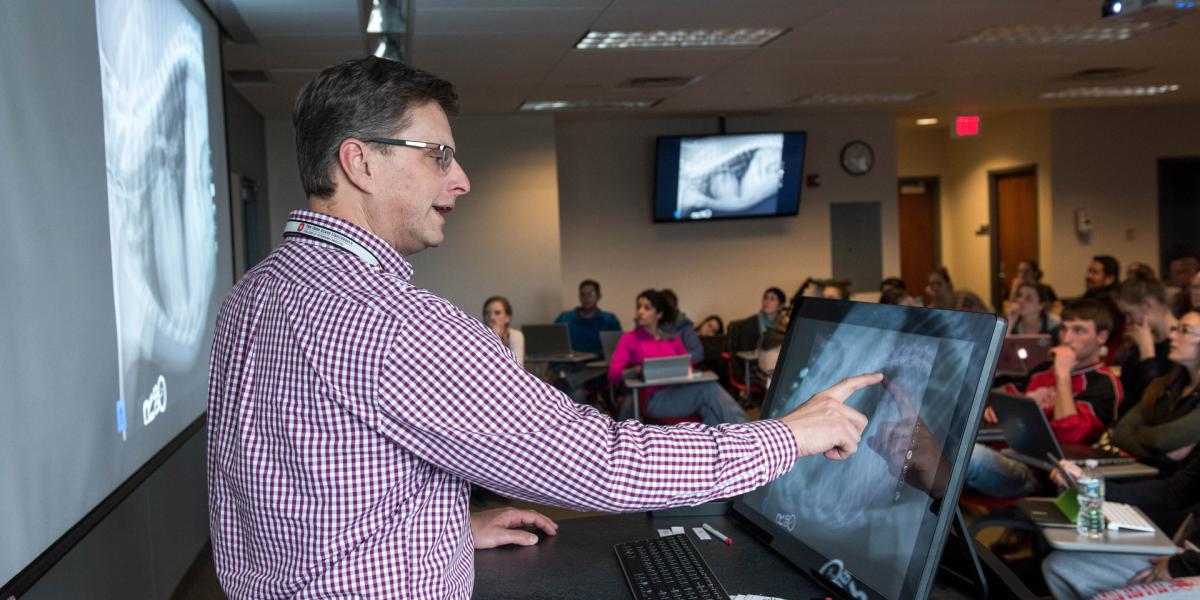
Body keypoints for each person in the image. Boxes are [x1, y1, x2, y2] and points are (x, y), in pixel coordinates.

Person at [207, 57, 880, 598]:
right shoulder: (396, 324)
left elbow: (291, 485)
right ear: (360, 162)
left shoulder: (252, 296)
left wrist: (443, 526)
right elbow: (603, 466)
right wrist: (789, 435)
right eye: (438, 155)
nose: (462, 179)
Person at [966, 299, 1123, 497]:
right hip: (1005, 451)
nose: (1067, 338)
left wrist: (1063, 375)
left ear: (1102, 337)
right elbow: (1006, 392)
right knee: (940, 443)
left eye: (1079, 331)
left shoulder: (1103, 383)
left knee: (965, 456)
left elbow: (1069, 437)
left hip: (1043, 474)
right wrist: (995, 406)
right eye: (1064, 329)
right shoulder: (1042, 371)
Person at [1043, 452, 1200, 599]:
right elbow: (1173, 492)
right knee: (1061, 566)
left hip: (1191, 565)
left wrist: (1181, 566)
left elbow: (1159, 443)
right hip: (1189, 556)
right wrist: (1090, 484)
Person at [610, 290, 750, 425]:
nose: (640, 311)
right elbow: (613, 374)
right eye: (638, 307)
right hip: (655, 399)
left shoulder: (672, 339)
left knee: (711, 410)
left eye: (647, 308)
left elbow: (688, 367)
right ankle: (749, 433)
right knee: (709, 389)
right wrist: (638, 370)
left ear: (659, 314)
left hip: (680, 391)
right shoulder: (629, 339)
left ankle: (721, 447)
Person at [1110, 311, 1200, 470]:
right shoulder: (1165, 384)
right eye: (1175, 329)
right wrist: (1164, 455)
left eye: (1184, 331)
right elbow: (1120, 433)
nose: (1172, 336)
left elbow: (1163, 439)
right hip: (1149, 474)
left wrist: (1141, 435)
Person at [1114, 273, 1177, 413]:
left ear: (1148, 305)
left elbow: (1162, 404)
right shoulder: (1142, 341)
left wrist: (1147, 354)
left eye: (1129, 314)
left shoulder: (1181, 345)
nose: (1127, 321)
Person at [555, 279, 622, 356]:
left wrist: (589, 355)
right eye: (583, 295)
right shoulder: (564, 318)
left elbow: (615, 350)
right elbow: (554, 346)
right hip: (568, 364)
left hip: (596, 364)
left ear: (599, 296)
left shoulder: (609, 320)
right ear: (579, 297)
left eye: (590, 294)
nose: (586, 298)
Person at [1084, 254, 1125, 361]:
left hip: (1107, 356)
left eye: (1094, 272)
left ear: (1109, 279)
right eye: (1089, 271)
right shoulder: (1088, 298)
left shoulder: (1114, 304)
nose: (1088, 276)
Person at [729, 287, 787, 353]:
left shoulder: (784, 325)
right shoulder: (749, 323)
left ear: (781, 305)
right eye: (765, 297)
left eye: (772, 299)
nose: (767, 301)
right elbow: (744, 352)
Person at [661, 288, 704, 363]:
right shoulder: (651, 326)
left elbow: (698, 353)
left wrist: (675, 357)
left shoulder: (684, 327)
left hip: (679, 370)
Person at [482, 296, 523, 364]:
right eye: (487, 313)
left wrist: (498, 340)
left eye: (497, 313)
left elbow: (518, 366)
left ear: (508, 318)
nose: (491, 317)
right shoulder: (478, 334)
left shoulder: (515, 335)